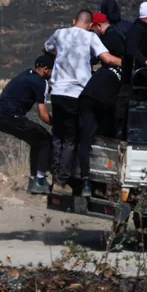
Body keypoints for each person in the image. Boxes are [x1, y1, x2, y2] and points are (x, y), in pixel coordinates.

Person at [44, 10, 121, 194]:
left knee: (58, 136)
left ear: (74, 21)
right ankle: (62, 182)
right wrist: (129, 63)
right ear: (89, 25)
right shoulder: (90, 37)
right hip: (76, 92)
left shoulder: (60, 33)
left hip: (57, 91)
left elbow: (46, 48)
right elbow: (107, 59)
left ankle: (54, 177)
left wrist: (61, 55)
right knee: (70, 139)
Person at [0, 53, 55, 194]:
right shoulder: (41, 82)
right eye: (52, 71)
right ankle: (39, 180)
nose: (52, 75)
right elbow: (43, 115)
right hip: (12, 117)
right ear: (46, 69)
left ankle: (34, 180)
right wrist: (57, 124)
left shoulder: (26, 74)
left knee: (36, 140)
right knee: (45, 139)